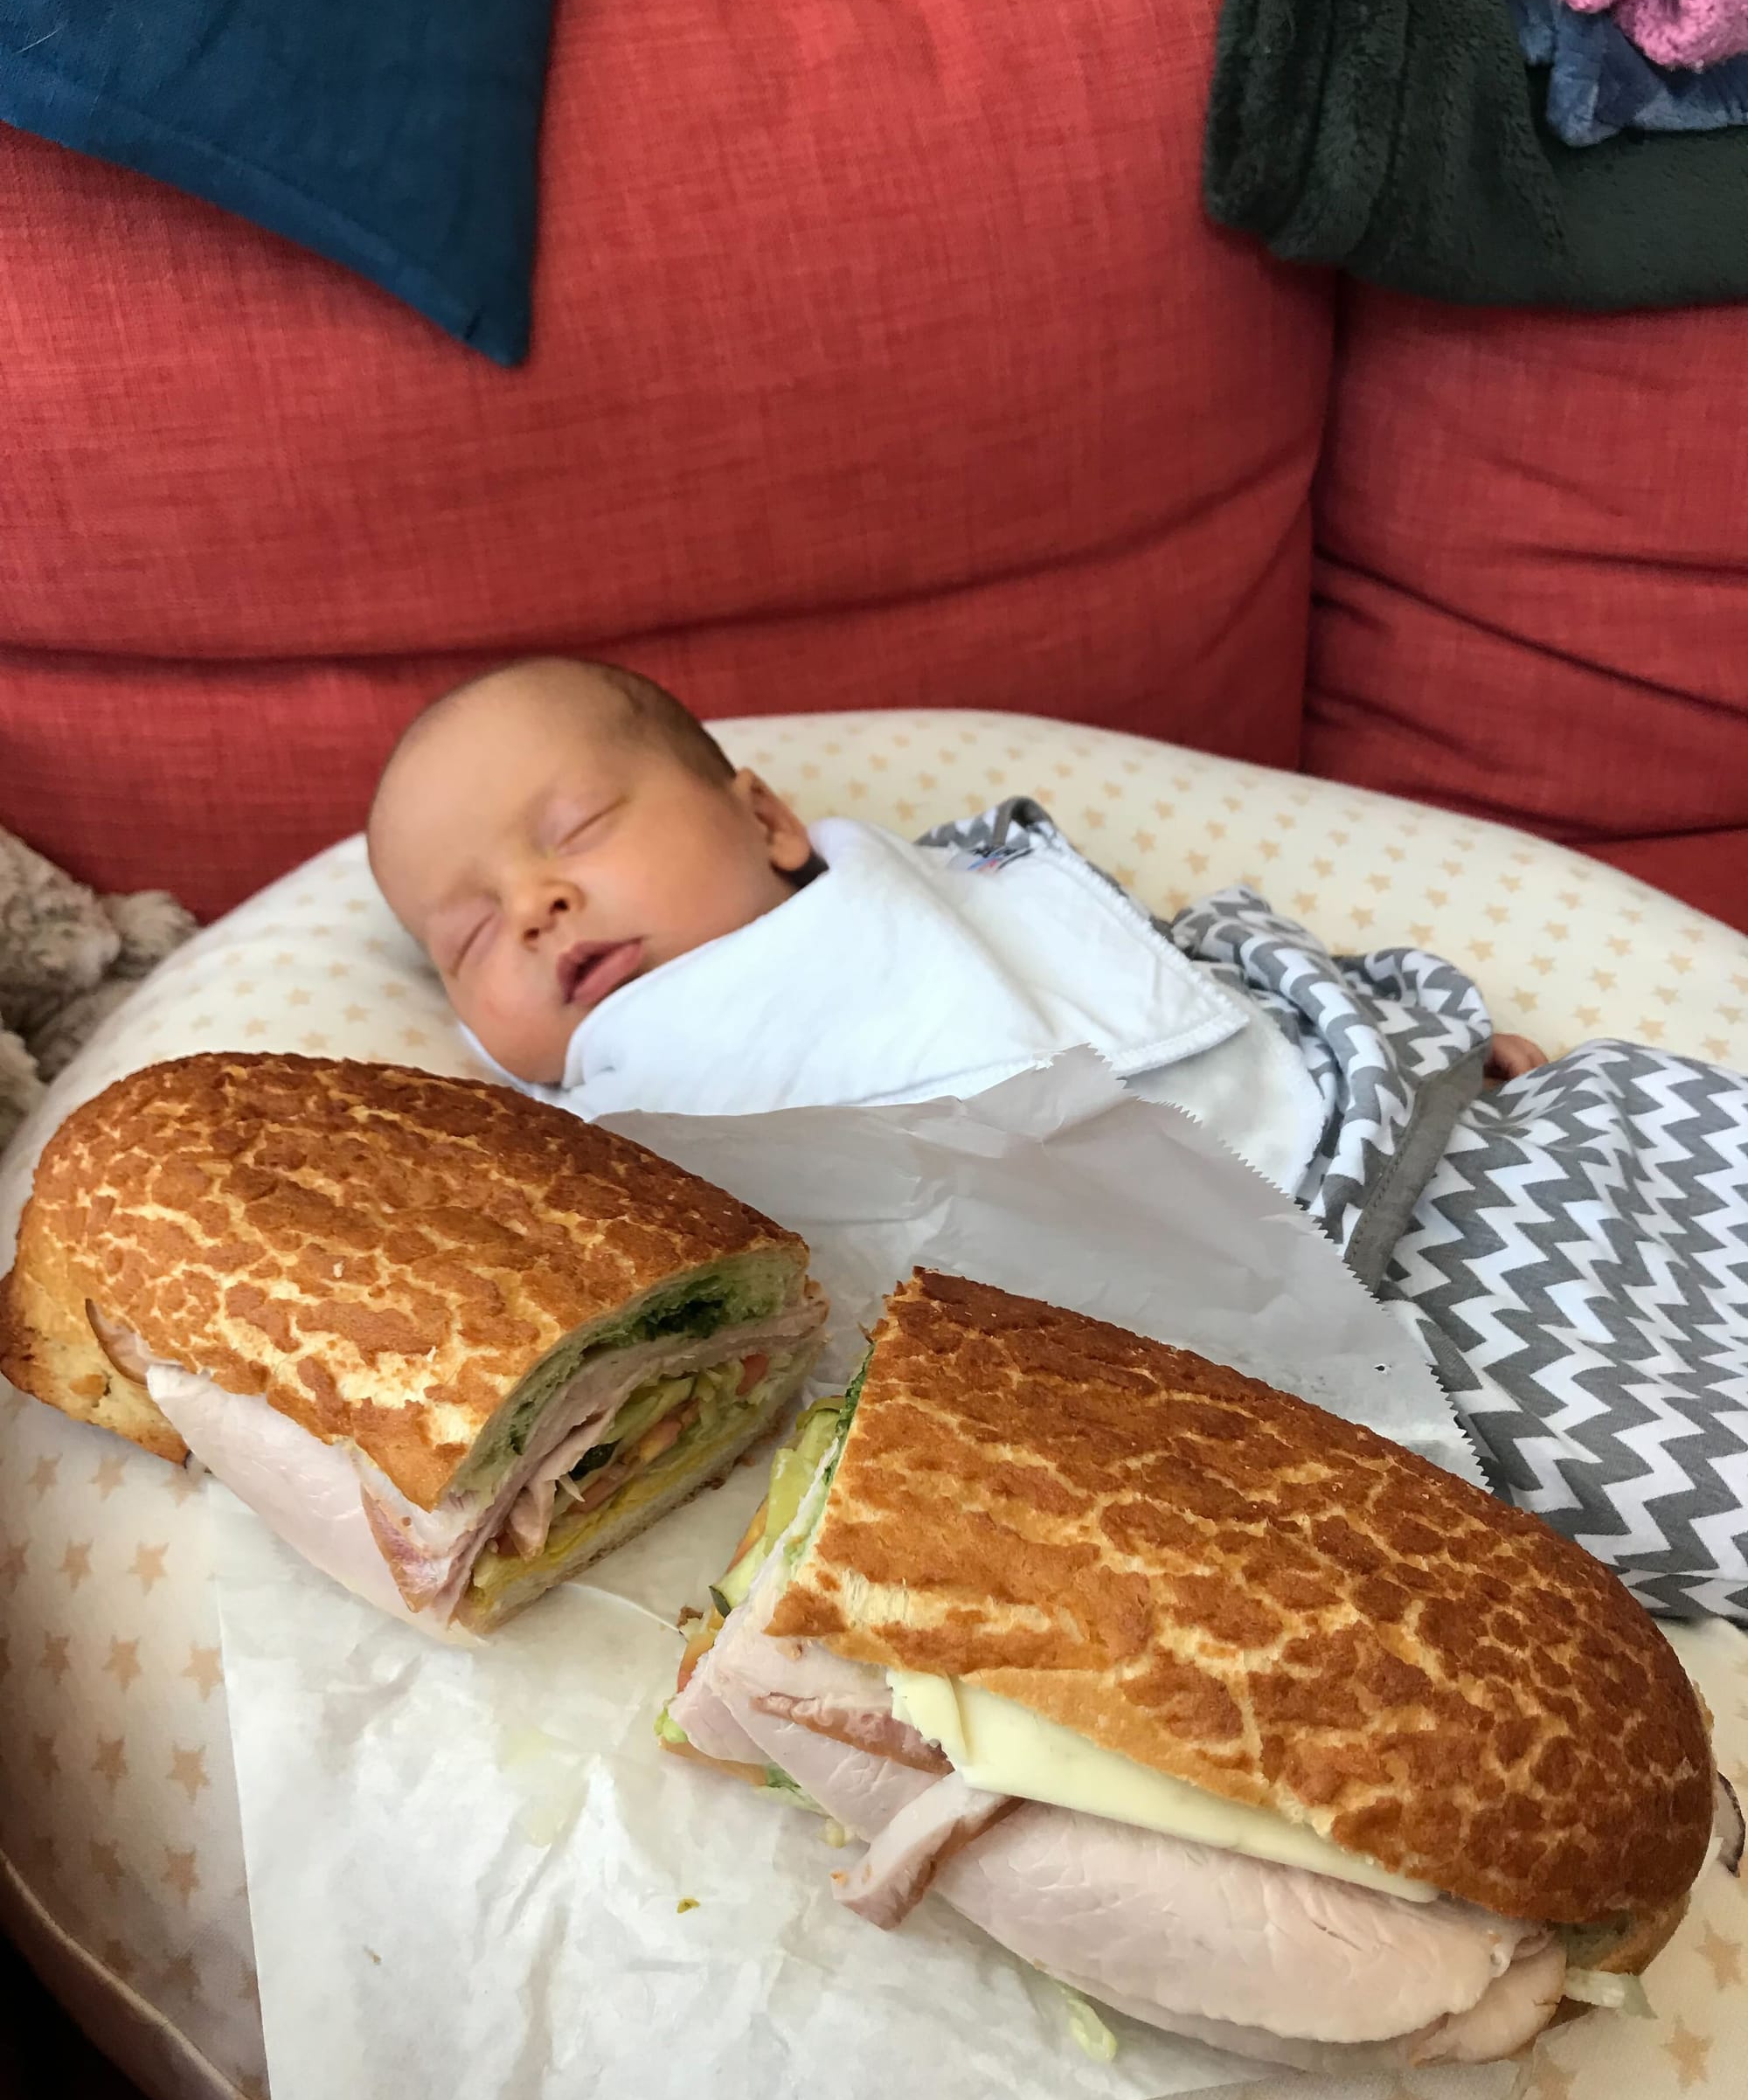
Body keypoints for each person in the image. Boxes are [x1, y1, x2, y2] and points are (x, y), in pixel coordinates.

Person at [368, 656, 1748, 1622]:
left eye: (578, 830)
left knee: (1659, 1121)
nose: (537, 904)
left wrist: (1387, 1016)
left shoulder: (946, 880)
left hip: (1419, 1137)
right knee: (1665, 1467)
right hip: (1360, 1331)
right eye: (471, 932)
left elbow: (1170, 962)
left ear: (767, 819)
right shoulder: (613, 1134)